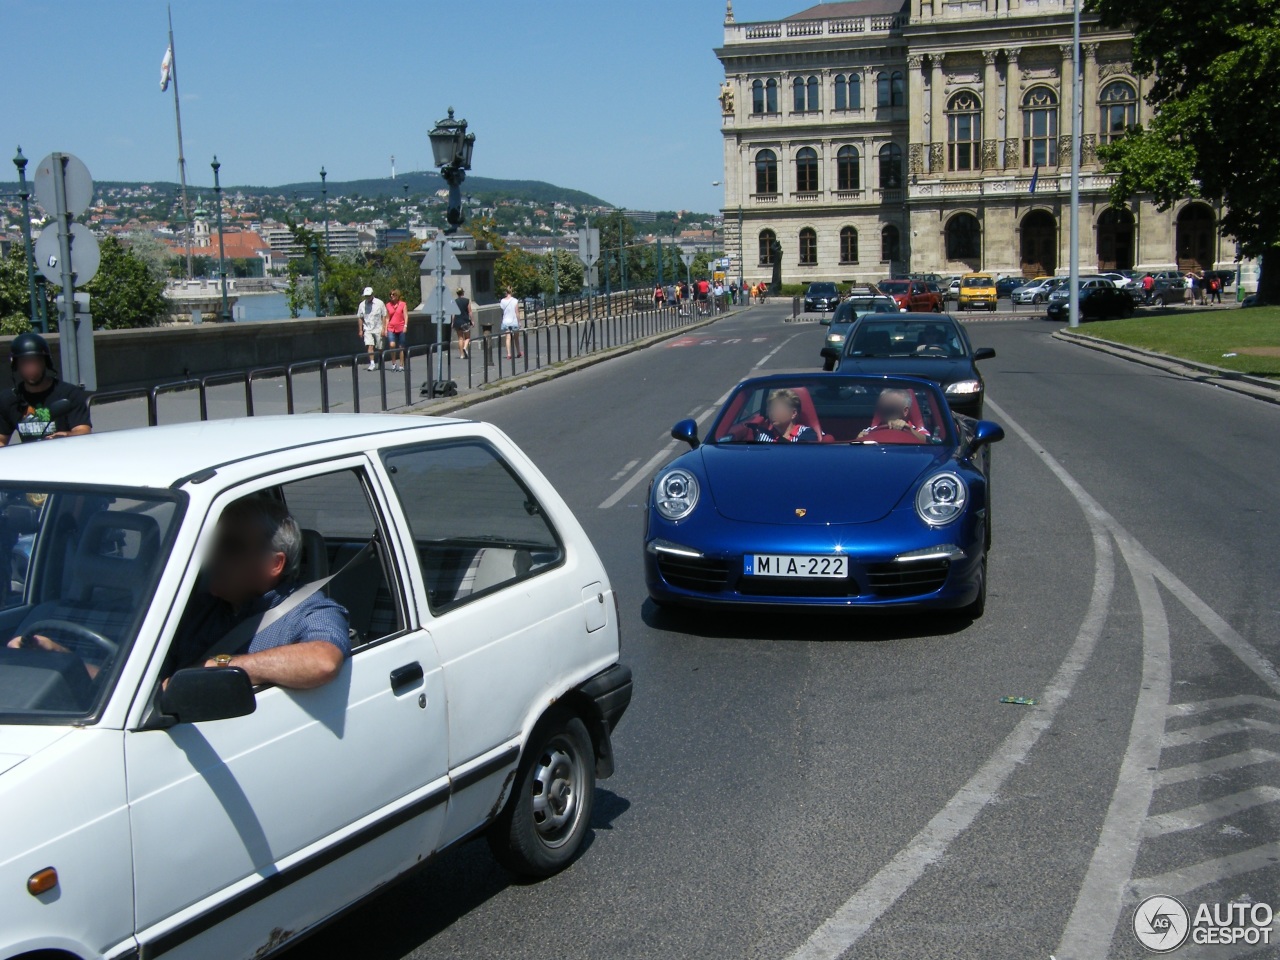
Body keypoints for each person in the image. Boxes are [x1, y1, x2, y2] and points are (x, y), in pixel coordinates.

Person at [10, 497, 351, 690]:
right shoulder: (194, 610)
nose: (212, 557)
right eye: (211, 544)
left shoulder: (308, 612)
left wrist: (220, 667)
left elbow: (322, 661)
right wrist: (64, 660)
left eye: (229, 547)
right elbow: (136, 690)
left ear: (273, 564)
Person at [0, 332, 91, 446]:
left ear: (46, 362)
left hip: (66, 454)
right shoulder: (9, 399)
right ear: (16, 366)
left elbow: (84, 430)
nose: (31, 368)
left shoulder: (69, 394)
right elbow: (1, 440)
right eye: (25, 363)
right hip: (30, 459)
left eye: (35, 361)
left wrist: (66, 436)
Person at [858, 389, 931, 442]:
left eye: (890, 410)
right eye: (882, 409)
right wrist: (859, 440)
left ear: (905, 411)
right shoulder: (870, 430)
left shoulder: (918, 430)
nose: (885, 414)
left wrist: (909, 430)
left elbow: (930, 443)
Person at [751, 389, 819, 443]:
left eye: (777, 409)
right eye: (770, 410)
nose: (772, 413)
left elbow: (802, 455)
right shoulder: (763, 436)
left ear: (793, 413)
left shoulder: (807, 433)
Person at [356, 286, 387, 371]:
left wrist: (384, 328)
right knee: (370, 345)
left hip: (378, 327)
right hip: (368, 328)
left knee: (380, 347)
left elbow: (384, 316)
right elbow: (360, 317)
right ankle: (372, 363)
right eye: (366, 296)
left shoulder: (379, 303)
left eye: (369, 296)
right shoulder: (362, 305)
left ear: (372, 294)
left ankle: (381, 359)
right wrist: (360, 330)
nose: (367, 297)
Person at [384, 289, 407, 371]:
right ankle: (393, 363)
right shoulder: (388, 305)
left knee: (401, 347)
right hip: (391, 327)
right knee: (392, 345)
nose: (391, 296)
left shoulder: (403, 304)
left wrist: (405, 326)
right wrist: (385, 329)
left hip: (400, 327)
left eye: (393, 294)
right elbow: (387, 318)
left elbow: (405, 316)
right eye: (390, 295)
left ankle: (401, 364)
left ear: (397, 295)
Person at [499, 288, 522, 360]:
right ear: (511, 292)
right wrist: (519, 321)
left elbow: (502, 309)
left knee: (508, 338)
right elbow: (517, 312)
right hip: (514, 321)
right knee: (516, 338)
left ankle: (509, 354)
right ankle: (518, 352)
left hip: (506, 321)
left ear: (506, 292)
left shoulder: (502, 301)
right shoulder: (515, 301)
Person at [453, 286, 473, 359]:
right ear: (463, 293)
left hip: (457, 321)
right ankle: (465, 347)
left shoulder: (455, 301)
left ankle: (461, 354)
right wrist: (472, 320)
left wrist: (453, 322)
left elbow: (454, 313)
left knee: (460, 338)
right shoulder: (467, 301)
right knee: (467, 337)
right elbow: (470, 311)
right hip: (465, 321)